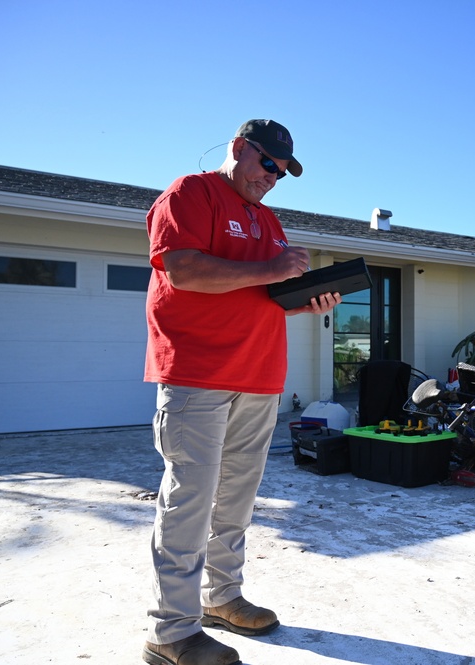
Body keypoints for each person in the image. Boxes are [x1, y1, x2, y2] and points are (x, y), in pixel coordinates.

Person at [142, 119, 340, 665]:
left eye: (282, 172)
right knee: (188, 502)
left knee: (235, 501)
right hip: (198, 375)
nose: (273, 177)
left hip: (257, 377)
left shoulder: (268, 220)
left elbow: (265, 294)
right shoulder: (191, 193)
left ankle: (222, 598)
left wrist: (306, 298)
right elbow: (183, 271)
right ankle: (170, 633)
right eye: (268, 164)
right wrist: (272, 268)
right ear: (238, 149)